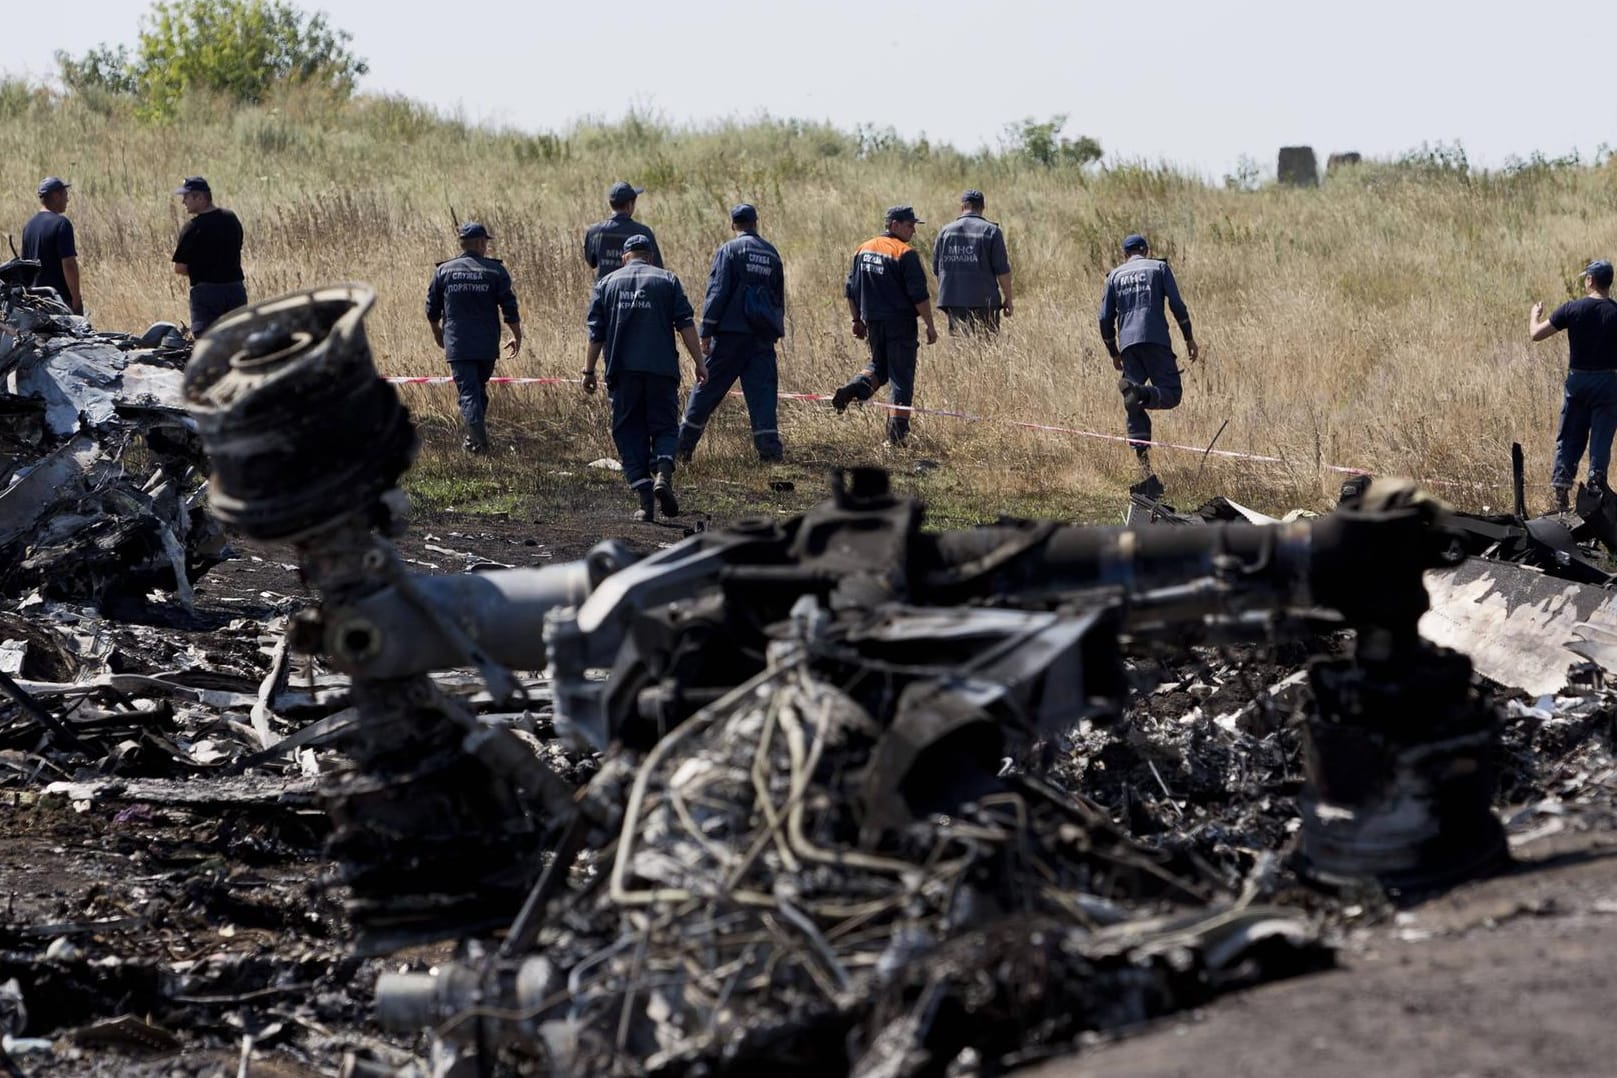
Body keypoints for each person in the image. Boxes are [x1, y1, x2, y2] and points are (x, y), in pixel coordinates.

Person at [584, 233, 708, 521]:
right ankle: (663, 473)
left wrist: (588, 370)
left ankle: (645, 501)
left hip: (623, 372)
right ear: (649, 256)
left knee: (629, 432)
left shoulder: (606, 284)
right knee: (665, 428)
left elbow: (596, 333)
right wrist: (700, 363)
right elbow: (686, 324)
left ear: (625, 257)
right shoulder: (668, 281)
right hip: (661, 371)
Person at [675, 203, 786, 463]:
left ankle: (681, 449)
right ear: (756, 222)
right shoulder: (772, 253)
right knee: (763, 396)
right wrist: (774, 330)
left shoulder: (729, 250)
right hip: (761, 338)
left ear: (733, 225)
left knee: (705, 390)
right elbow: (778, 297)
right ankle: (770, 453)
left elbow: (718, 291)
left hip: (730, 336)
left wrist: (706, 330)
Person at [830, 205, 938, 447]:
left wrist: (856, 320)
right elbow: (919, 295)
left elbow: (850, 289)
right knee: (902, 379)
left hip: (873, 321)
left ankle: (857, 385)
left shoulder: (862, 249)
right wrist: (930, 326)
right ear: (894, 225)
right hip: (901, 324)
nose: (913, 231)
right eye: (909, 225)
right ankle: (896, 438)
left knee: (880, 366)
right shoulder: (904, 253)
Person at [1097, 233, 1199, 481]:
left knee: (1132, 404)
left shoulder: (1115, 276)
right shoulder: (1159, 268)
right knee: (1171, 394)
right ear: (1147, 250)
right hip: (1156, 339)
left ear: (1125, 254)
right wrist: (1188, 337)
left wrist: (1113, 351)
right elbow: (1177, 304)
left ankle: (1142, 464)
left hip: (1129, 344)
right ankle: (1143, 393)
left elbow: (1104, 318)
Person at [426, 222, 522, 453]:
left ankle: (476, 442)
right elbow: (509, 307)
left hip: (458, 344)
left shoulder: (444, 271)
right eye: (486, 242)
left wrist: (438, 333)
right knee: (475, 391)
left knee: (473, 393)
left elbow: (432, 308)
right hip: (486, 344)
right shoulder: (494, 271)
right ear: (480, 243)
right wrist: (517, 335)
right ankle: (477, 443)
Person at [1530, 258, 1617, 513]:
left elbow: (1536, 334)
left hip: (1577, 380)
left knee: (1569, 436)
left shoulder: (1572, 309)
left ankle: (1561, 494)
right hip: (1608, 381)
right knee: (1601, 438)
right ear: (1609, 282)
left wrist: (1534, 316)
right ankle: (1595, 491)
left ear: (1590, 280)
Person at [171, 176, 247, 336]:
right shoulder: (231, 219)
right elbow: (238, 246)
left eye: (186, 197)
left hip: (206, 294)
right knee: (238, 338)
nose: (183, 202)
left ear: (200, 197)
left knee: (207, 341)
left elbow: (179, 268)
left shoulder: (192, 228)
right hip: (235, 289)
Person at [933, 189, 1012, 335]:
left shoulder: (945, 232)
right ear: (982, 208)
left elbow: (938, 269)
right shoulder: (992, 231)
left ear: (962, 207)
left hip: (954, 300)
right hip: (985, 301)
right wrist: (1008, 298)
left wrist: (950, 294)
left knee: (961, 349)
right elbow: (1002, 269)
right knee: (986, 348)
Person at [21, 177, 82, 314]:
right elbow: (69, 264)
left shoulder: (29, 226)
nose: (67, 200)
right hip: (58, 301)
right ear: (56, 196)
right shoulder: (61, 224)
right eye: (65, 195)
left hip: (35, 302)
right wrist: (76, 298)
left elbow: (25, 266)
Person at [583, 181, 662, 280]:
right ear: (629, 205)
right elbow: (657, 269)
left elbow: (592, 262)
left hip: (604, 292)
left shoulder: (594, 232)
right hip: (635, 292)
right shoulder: (644, 233)